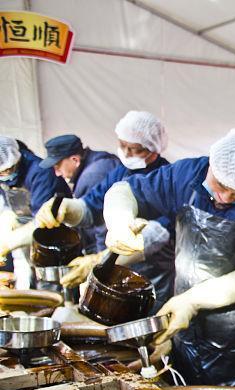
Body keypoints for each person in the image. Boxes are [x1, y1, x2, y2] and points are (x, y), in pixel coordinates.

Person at [102, 128, 235, 386]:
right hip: (185, 322)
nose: (224, 198)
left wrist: (192, 301)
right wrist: (119, 221)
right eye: (221, 186)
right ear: (211, 164)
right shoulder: (187, 174)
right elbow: (126, 190)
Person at [34, 111, 174, 310]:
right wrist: (67, 209)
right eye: (122, 145)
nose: (125, 154)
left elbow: (158, 234)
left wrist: (101, 260)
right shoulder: (121, 172)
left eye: (133, 149)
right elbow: (91, 205)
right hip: (116, 265)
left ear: (153, 148)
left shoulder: (168, 178)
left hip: (152, 271)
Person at [0, 136, 72, 280]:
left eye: (6, 171)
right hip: (26, 233)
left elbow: (42, 221)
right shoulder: (4, 175)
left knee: (53, 281)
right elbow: (8, 208)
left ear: (16, 160)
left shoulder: (40, 172)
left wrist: (8, 243)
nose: (4, 176)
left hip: (54, 235)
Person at [40, 134, 119, 253]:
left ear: (75, 160)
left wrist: (102, 259)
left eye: (58, 167)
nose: (57, 173)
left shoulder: (91, 176)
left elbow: (103, 224)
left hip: (109, 245)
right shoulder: (100, 160)